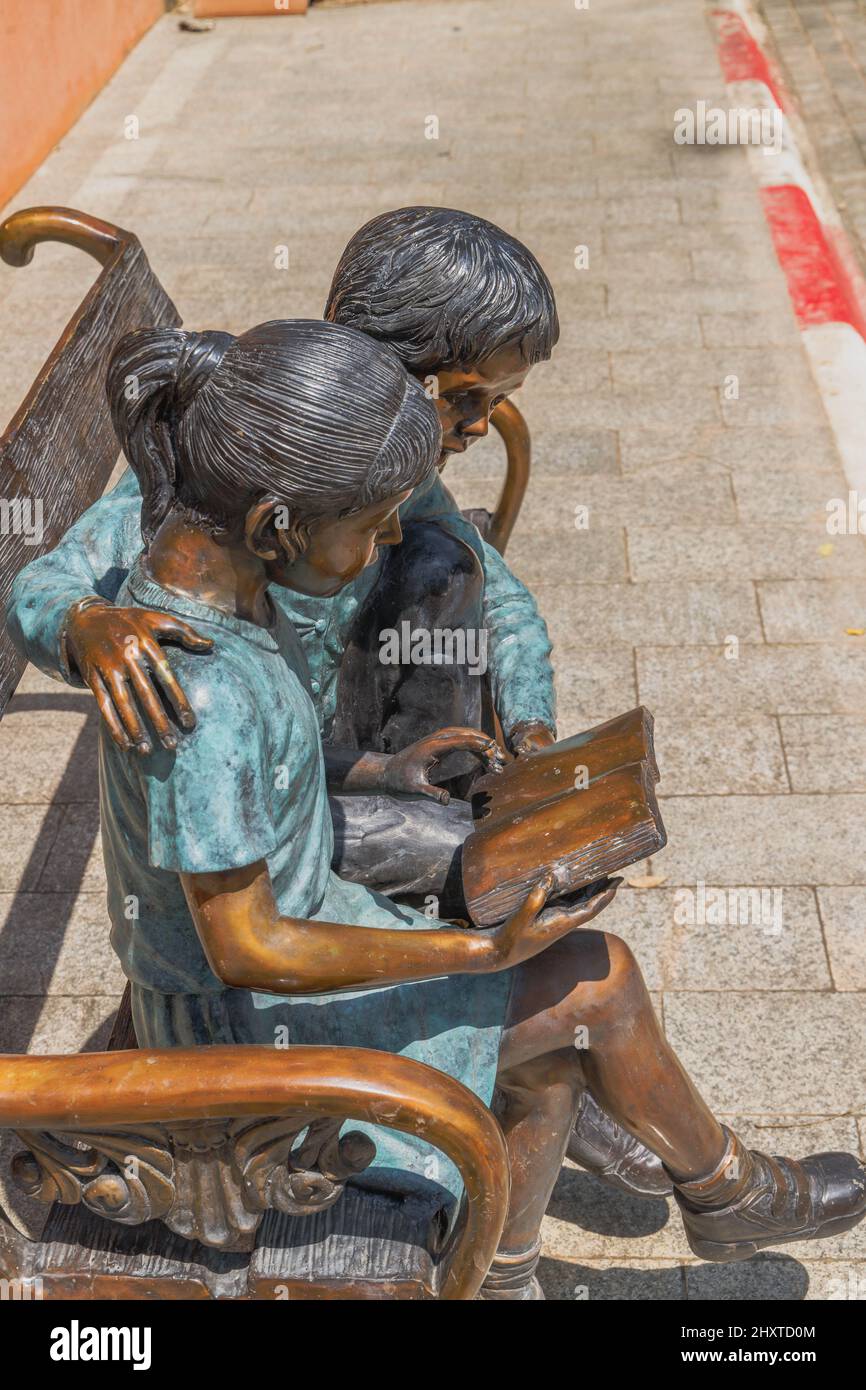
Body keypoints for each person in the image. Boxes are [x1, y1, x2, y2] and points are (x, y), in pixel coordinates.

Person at [28, 316, 863, 1303]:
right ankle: (722, 1193)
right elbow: (248, 945)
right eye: (371, 528)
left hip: (277, 991)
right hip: (242, 1049)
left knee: (567, 1004)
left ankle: (556, 1256)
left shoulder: (207, 612)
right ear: (274, 526)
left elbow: (263, 827)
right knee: (591, 984)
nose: (387, 545)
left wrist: (383, 775)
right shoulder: (201, 686)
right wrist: (472, 955)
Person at [7, 207, 668, 1196]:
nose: (480, 427)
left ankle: (545, 1050)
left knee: (487, 764)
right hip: (256, 814)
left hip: (301, 774)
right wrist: (85, 627)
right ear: (395, 367)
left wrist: (526, 736)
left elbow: (510, 607)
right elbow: (39, 588)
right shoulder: (245, 452)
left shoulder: (382, 462)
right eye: (468, 397)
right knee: (479, 868)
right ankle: (536, 1048)